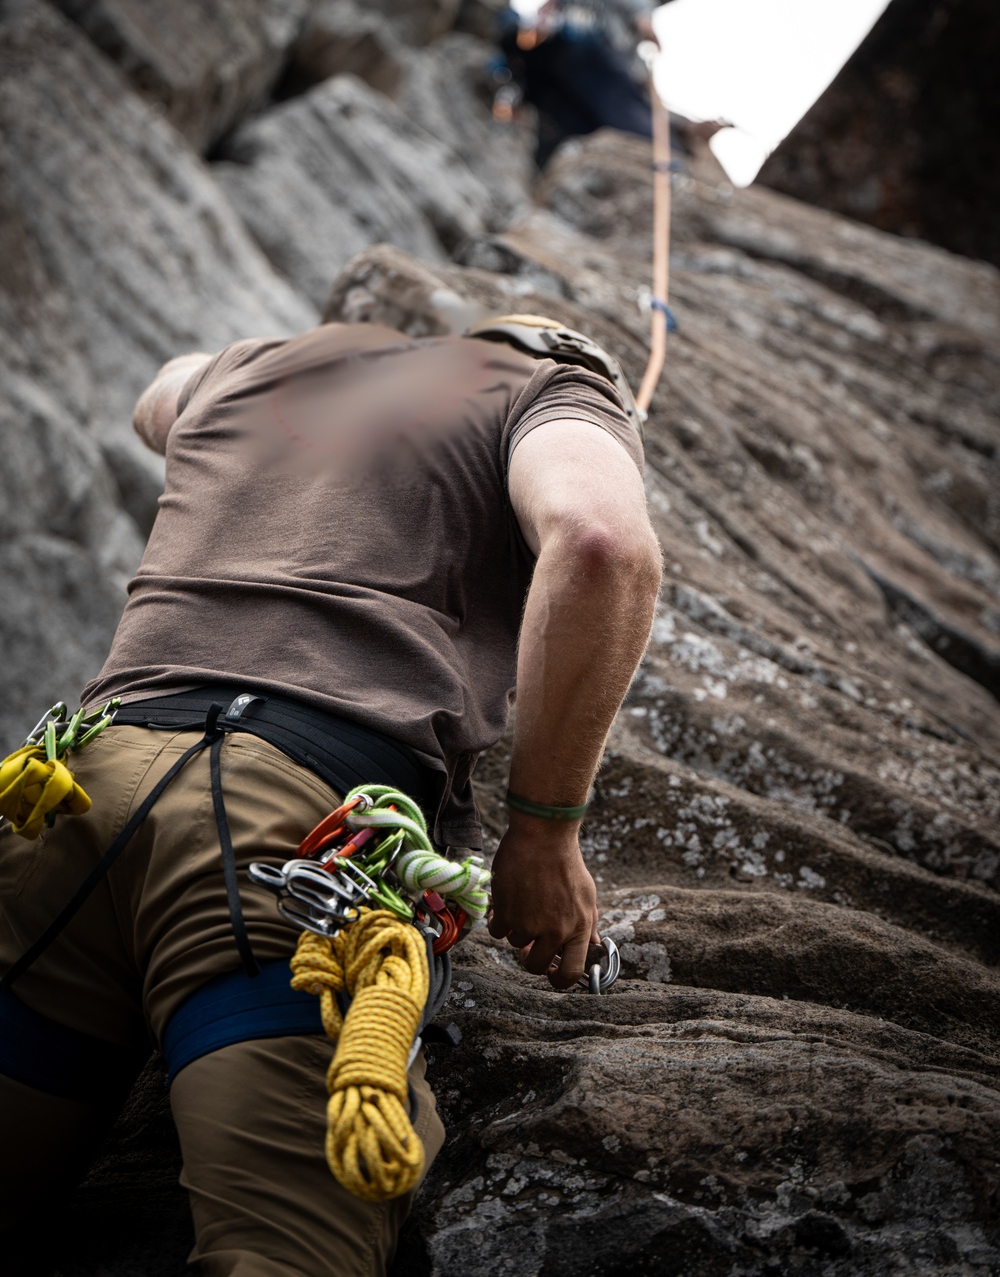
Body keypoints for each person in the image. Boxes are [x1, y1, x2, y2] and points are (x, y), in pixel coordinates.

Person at [0, 313, 661, 1276]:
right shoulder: (545, 386)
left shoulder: (249, 371)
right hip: (287, 840)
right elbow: (602, 543)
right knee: (288, 1253)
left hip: (65, 797)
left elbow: (160, 398)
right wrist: (544, 834)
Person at [514, 0, 726, 165]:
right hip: (564, 42)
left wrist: (682, 124)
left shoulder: (628, 40)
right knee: (655, 142)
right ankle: (669, 164)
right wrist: (642, 15)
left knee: (569, 135)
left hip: (572, 81)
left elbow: (633, 89)